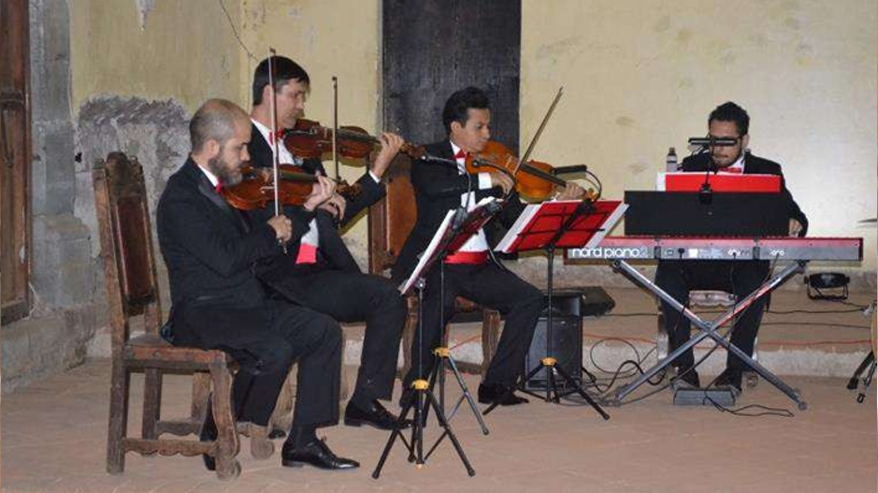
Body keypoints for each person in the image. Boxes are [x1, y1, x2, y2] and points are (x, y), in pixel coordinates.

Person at [157, 99, 358, 471]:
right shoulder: (181, 197)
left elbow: (264, 249)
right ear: (213, 147)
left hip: (244, 302)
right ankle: (220, 429)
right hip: (202, 310)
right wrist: (269, 232)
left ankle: (303, 441)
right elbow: (227, 258)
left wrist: (307, 208)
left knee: (322, 330)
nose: (247, 156)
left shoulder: (232, 188)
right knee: (274, 350)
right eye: (240, 147)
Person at [391, 86, 586, 406]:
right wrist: (486, 180)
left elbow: (516, 219)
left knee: (529, 299)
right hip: (438, 260)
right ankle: (417, 389)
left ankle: (496, 384)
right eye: (479, 127)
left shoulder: (494, 167)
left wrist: (554, 204)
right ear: (456, 127)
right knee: (438, 305)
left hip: (478, 265)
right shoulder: (428, 157)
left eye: (488, 127)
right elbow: (437, 188)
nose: (487, 134)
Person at [245, 56, 411, 430]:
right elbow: (257, 216)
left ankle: (365, 402)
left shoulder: (302, 149)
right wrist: (309, 202)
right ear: (270, 93)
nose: (302, 105)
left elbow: (336, 212)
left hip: (314, 269)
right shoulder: (244, 148)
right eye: (296, 95)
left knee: (389, 296)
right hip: (277, 273)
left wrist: (377, 169)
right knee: (383, 298)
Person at [655, 101, 809, 392]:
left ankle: (734, 371)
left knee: (756, 279)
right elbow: (669, 215)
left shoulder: (767, 170)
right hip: (696, 263)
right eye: (714, 141)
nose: (719, 149)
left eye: (728, 142)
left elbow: (797, 215)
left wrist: (793, 221)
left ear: (745, 141)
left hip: (741, 265)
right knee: (666, 274)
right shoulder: (692, 167)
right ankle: (684, 369)